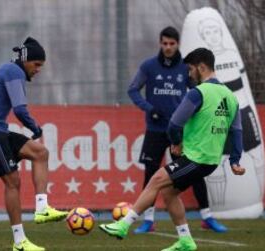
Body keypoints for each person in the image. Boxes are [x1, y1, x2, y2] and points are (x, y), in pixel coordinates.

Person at [100, 48, 245, 251]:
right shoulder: (230, 96)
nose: (188, 74)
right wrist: (235, 161)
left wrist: (175, 142)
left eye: (190, 69)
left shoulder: (198, 93)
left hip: (197, 158)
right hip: (210, 160)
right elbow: (237, 131)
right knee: (168, 193)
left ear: (201, 67)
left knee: (156, 179)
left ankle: (123, 224)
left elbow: (175, 124)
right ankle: (185, 241)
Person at [0, 37, 68, 251]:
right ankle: (20, 242)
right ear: (26, 60)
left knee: (40, 153)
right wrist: (34, 127)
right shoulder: (14, 72)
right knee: (13, 182)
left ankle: (42, 207)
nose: (38, 70)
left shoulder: (2, 70)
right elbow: (19, 109)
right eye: (37, 64)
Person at [127, 26, 227, 234]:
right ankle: (148, 220)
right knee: (151, 173)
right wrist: (149, 108)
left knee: (194, 171)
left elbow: (199, 89)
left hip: (181, 132)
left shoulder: (185, 68)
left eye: (172, 44)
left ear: (177, 44)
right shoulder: (149, 66)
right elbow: (132, 89)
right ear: (160, 43)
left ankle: (207, 217)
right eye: (164, 43)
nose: (168, 47)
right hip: (155, 129)